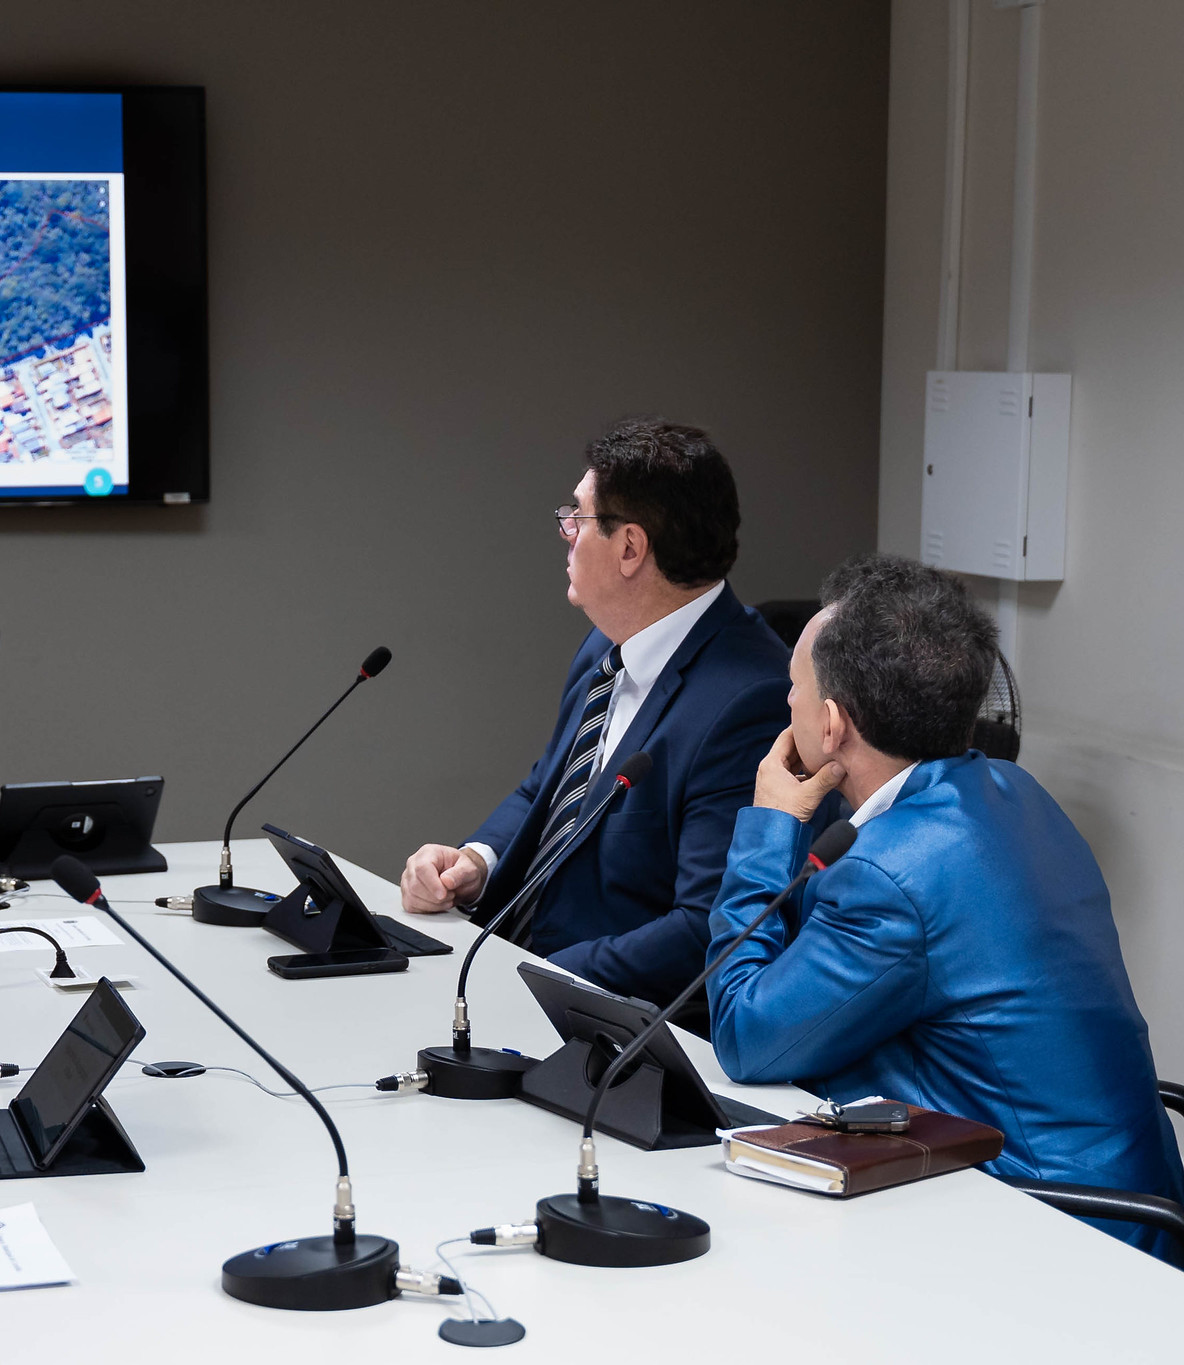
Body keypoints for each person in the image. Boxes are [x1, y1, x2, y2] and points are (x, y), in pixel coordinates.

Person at [708, 555, 1184, 1263]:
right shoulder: (1013, 791)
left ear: (832, 724)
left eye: (794, 690)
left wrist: (771, 823)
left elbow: (746, 1033)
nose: (787, 706)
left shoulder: (891, 873)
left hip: (1057, 1232)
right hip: (1138, 1199)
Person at [400, 419, 790, 1007]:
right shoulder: (607, 643)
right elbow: (549, 789)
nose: (566, 533)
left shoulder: (750, 699)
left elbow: (706, 926)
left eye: (576, 518)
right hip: (501, 969)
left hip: (602, 1023)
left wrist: (530, 976)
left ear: (630, 547)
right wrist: (473, 862)